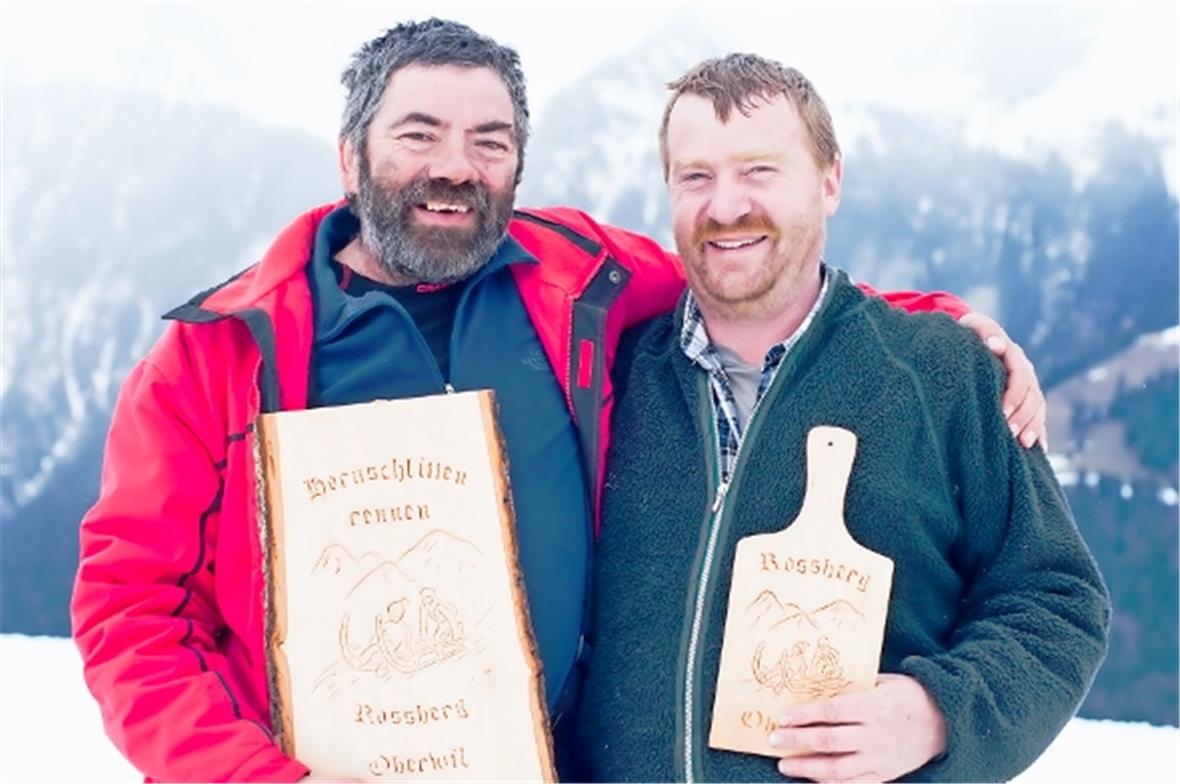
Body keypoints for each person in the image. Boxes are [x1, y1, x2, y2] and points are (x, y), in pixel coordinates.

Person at [70, 20, 1046, 782]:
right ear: (349, 154)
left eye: (488, 142)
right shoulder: (220, 352)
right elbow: (130, 609)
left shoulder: (577, 283)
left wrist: (944, 325)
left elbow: (747, 276)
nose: (455, 166)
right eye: (419, 136)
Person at [574, 54, 1111, 783]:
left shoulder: (942, 375)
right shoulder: (610, 378)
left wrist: (938, 712)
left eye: (760, 170)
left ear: (830, 180)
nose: (725, 206)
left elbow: (1056, 601)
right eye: (696, 176)